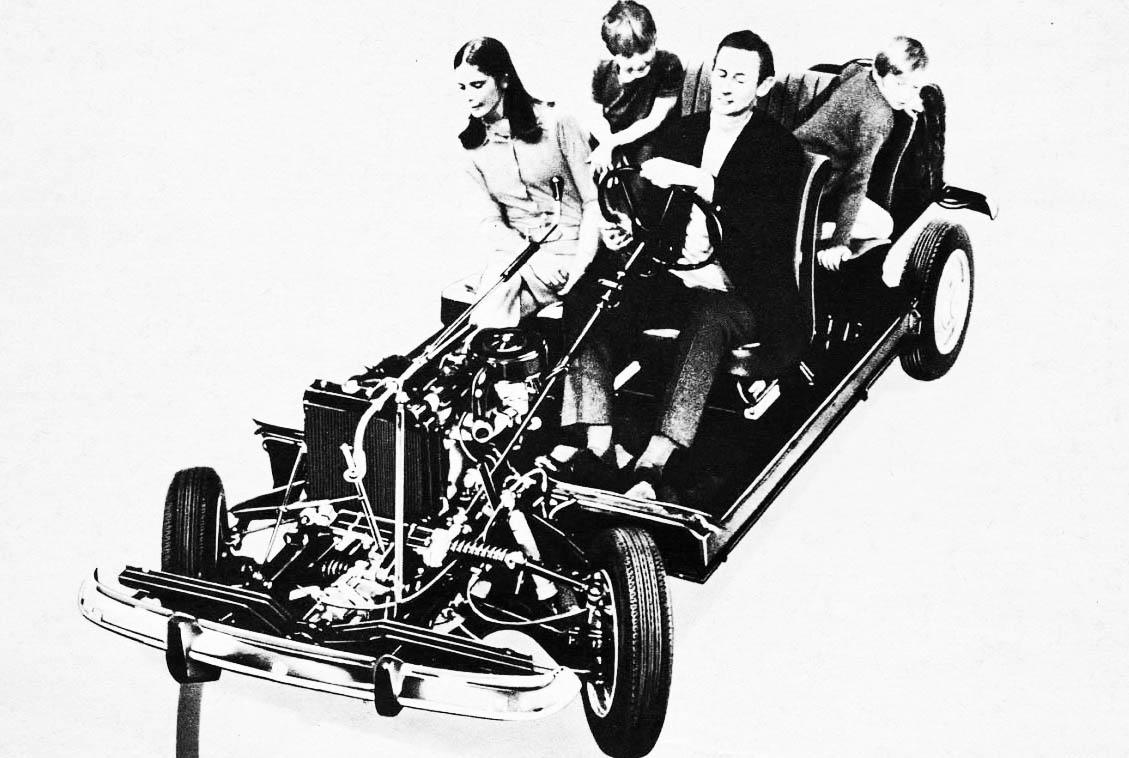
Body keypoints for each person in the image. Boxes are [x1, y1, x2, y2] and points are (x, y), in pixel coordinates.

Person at [560, 30, 806, 500]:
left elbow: (764, 233)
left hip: (738, 291)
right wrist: (626, 228)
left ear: (764, 87)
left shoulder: (778, 150)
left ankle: (654, 461)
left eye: (740, 78)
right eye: (721, 73)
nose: (726, 86)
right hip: (674, 278)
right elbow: (654, 213)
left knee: (708, 317)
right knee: (589, 296)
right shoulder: (683, 133)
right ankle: (599, 445)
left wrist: (702, 181)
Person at [455, 37, 601, 328]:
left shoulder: (558, 122)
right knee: (491, 311)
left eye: (477, 85)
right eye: (462, 88)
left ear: (504, 79)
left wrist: (580, 266)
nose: (469, 96)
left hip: (573, 254)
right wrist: (534, 260)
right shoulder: (471, 149)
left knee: (496, 321)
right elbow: (490, 223)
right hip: (516, 258)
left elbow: (593, 201)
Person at [793, 36, 929, 271]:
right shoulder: (878, 118)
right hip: (816, 186)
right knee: (884, 226)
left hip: (798, 164)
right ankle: (811, 231)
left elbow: (850, 69)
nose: (907, 95)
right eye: (900, 84)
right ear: (880, 74)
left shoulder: (860, 75)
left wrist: (900, 92)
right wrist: (839, 242)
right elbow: (857, 181)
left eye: (914, 87)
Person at [587, 1, 684, 175]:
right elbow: (594, 117)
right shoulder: (601, 69)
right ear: (613, 53)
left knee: (642, 172)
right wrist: (608, 144)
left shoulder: (669, 65)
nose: (638, 62)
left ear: (654, 39)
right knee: (590, 167)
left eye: (645, 50)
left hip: (649, 139)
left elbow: (654, 120)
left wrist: (613, 144)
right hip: (608, 137)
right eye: (627, 55)